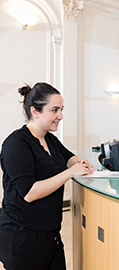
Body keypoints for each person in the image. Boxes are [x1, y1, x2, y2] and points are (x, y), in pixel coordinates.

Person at [0, 82, 94, 270]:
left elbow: (68, 158)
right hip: (23, 238)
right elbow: (29, 193)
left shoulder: (49, 138)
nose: (60, 116)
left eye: (61, 110)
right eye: (54, 110)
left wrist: (79, 163)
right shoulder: (16, 144)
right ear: (35, 111)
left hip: (51, 234)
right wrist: (70, 172)